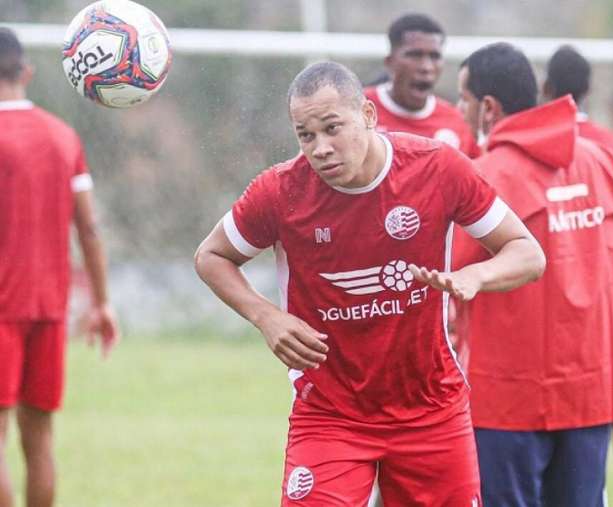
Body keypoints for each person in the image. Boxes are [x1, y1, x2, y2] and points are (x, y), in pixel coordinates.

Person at [194, 60, 545, 506]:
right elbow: (211, 256)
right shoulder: (281, 192)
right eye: (306, 135)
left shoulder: (436, 168)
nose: (320, 148)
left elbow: (527, 252)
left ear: (368, 115)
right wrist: (266, 316)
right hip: (329, 413)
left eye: (332, 128)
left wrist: (474, 275)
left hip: (430, 408)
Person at [453, 42, 613, 507]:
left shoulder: (484, 176)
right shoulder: (602, 161)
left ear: (488, 108)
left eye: (464, 100)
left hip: (504, 397)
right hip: (591, 389)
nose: (459, 111)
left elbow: (450, 276)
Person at [0, 28, 120, 507]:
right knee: (40, 439)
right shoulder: (63, 135)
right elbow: (88, 229)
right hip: (50, 309)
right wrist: (102, 302)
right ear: (26, 73)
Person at [544, 44, 613, 507]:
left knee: (551, 434)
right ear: (589, 89)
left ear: (546, 90)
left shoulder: (538, 144)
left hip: (555, 312)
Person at [364, 13, 479, 158]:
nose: (426, 67)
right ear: (390, 62)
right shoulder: (357, 109)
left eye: (435, 56)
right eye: (415, 55)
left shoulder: (457, 122)